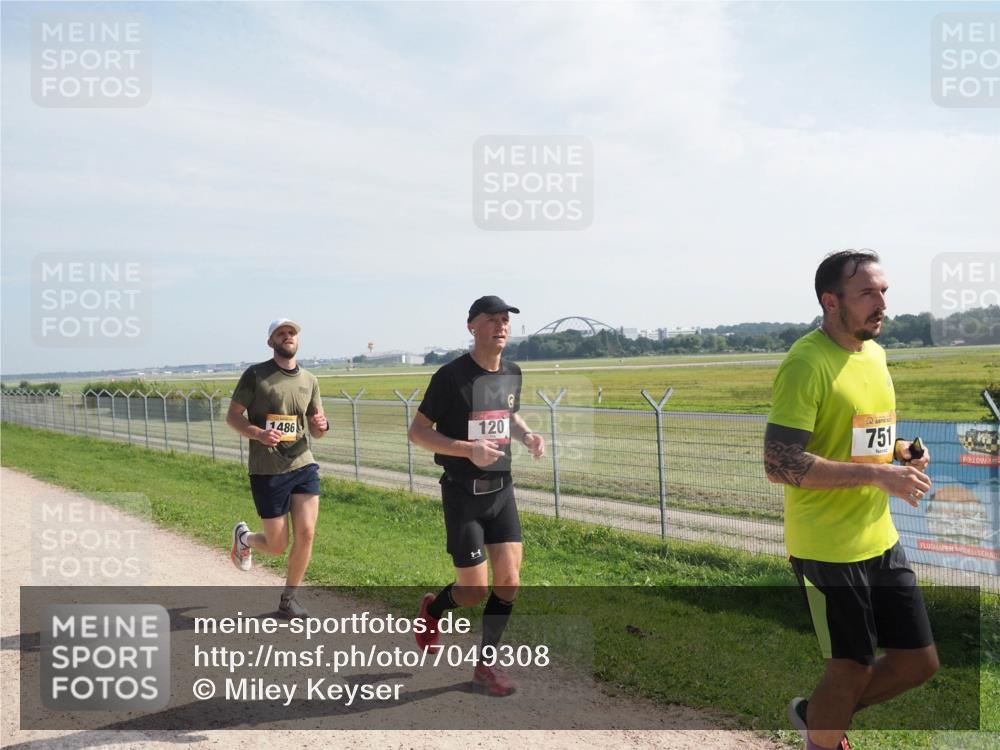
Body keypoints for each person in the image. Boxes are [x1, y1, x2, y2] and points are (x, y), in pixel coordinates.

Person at [764, 251, 939, 750]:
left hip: (879, 538)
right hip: (826, 548)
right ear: (831, 301)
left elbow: (862, 437)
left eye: (884, 292)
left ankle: (820, 716)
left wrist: (900, 451)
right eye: (867, 293)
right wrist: (880, 477)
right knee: (852, 665)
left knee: (917, 662)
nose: (881, 303)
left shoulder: (873, 354)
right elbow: (779, 463)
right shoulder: (805, 363)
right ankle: (824, 733)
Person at [408, 295, 545, 696]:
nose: (501, 326)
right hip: (463, 495)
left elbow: (508, 414)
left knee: (510, 580)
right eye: (492, 320)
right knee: (472, 592)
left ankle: (485, 665)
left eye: (505, 320)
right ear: (472, 326)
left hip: (502, 491)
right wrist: (468, 449)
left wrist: (527, 435)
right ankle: (432, 610)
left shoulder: (512, 372)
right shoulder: (450, 377)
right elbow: (417, 432)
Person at [226, 318, 329, 619]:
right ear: (271, 342)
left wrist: (321, 426)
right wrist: (258, 433)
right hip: (267, 468)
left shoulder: (310, 380)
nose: (288, 336)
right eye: (281, 333)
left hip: (302, 463)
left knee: (307, 533)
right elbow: (233, 417)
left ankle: (289, 600)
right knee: (276, 545)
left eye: (292, 332)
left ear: (297, 340)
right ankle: (245, 539)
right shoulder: (256, 375)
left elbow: (317, 427)